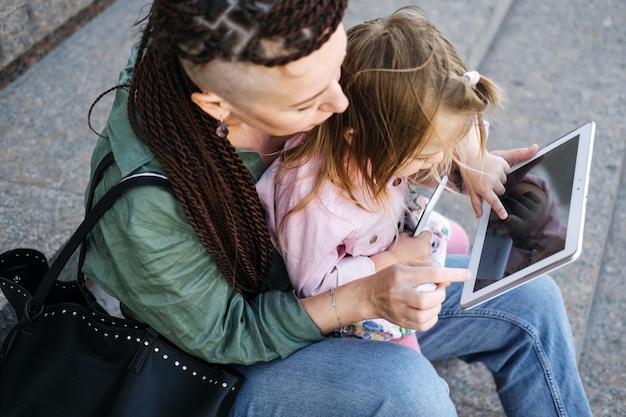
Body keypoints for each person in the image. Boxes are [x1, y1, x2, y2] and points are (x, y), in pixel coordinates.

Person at [82, 1, 592, 416]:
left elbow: (375, 129)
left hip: (347, 281)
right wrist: (367, 294)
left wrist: (449, 159)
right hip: (233, 365)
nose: (341, 102)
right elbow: (230, 335)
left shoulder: (277, 46)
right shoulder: (143, 209)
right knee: (407, 392)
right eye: (307, 101)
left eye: (336, 64)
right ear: (219, 107)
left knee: (531, 299)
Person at [255, 9, 502, 353]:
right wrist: (392, 259)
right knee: (408, 357)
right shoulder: (316, 201)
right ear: (360, 138)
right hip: (357, 297)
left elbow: (449, 127)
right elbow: (315, 288)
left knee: (457, 238)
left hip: (384, 230)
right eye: (425, 154)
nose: (437, 162)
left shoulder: (372, 132)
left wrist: (478, 159)